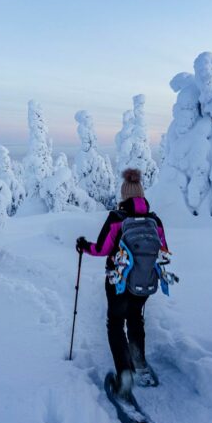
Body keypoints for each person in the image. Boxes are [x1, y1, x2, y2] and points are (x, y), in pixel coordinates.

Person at [76, 168, 168, 402]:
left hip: (117, 282)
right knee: (136, 318)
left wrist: (83, 245)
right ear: (141, 194)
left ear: (124, 195)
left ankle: (125, 375)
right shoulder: (154, 220)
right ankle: (140, 363)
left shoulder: (117, 218)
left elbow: (102, 249)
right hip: (145, 281)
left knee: (116, 323)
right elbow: (163, 249)